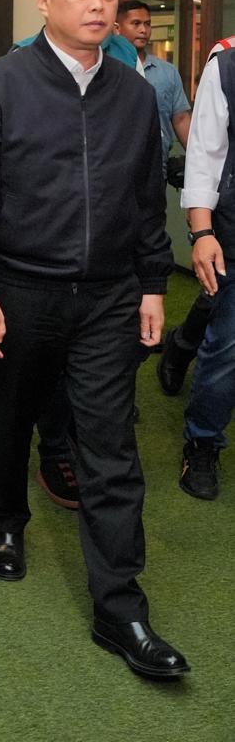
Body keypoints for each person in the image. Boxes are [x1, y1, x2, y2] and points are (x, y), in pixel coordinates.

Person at [0, 0, 189, 680]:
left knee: (111, 447)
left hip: (111, 296)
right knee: (12, 414)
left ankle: (121, 609)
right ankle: (6, 522)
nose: (98, 5)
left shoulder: (134, 93)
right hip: (22, 288)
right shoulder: (1, 85)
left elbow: (146, 200)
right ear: (45, 1)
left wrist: (154, 283)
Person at [177, 43, 235, 500]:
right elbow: (204, 155)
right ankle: (202, 443)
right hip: (232, 231)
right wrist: (202, 232)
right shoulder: (228, 66)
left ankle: (179, 347)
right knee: (227, 348)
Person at [115, 0, 191, 169]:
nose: (143, 30)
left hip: (157, 168)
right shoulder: (107, 69)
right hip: (115, 168)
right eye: (136, 23)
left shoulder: (167, 72)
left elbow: (181, 119)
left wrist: (201, 163)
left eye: (147, 24)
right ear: (117, 28)